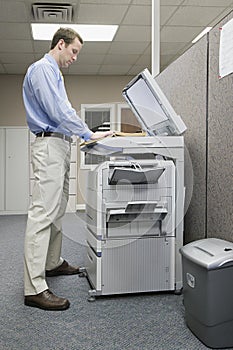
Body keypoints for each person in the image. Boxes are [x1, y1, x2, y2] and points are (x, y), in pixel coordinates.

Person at [22, 27, 112, 311]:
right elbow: (59, 111)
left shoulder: (56, 74)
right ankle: (34, 288)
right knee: (42, 213)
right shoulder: (42, 70)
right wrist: (87, 133)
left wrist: (81, 135)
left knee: (57, 209)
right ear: (60, 44)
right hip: (48, 145)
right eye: (74, 51)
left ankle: (51, 263)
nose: (75, 58)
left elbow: (64, 110)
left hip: (60, 145)